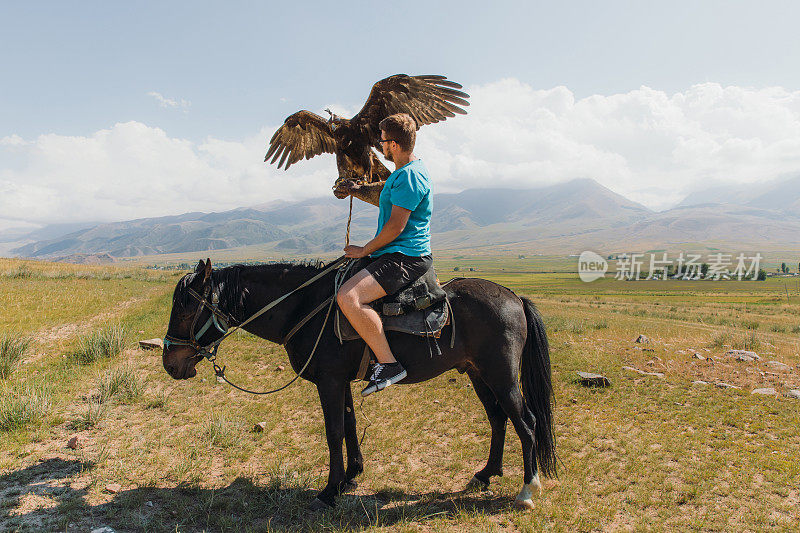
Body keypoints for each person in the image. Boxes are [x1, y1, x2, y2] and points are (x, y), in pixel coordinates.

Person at [336, 113, 433, 397]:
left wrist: (364, 249)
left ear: (392, 144)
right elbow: (386, 199)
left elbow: (396, 227)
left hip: (405, 257)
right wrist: (356, 190)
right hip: (395, 252)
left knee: (348, 297)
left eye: (382, 142)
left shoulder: (410, 177)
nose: (379, 146)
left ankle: (389, 364)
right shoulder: (406, 172)